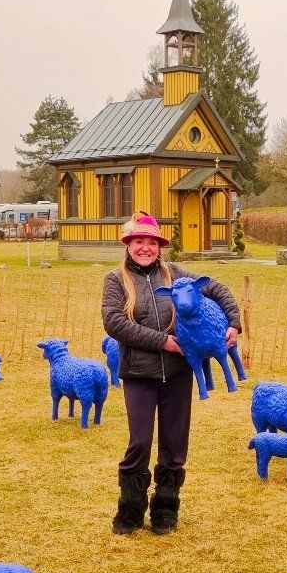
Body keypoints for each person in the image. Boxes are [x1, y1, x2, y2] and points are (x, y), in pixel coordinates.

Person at [102, 212, 242, 536]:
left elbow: (217, 288)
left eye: (152, 243)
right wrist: (162, 341)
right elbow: (114, 322)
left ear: (160, 247)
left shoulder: (175, 274)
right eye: (139, 242)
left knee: (174, 443)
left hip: (179, 373)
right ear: (128, 245)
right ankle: (130, 509)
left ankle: (165, 508)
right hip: (138, 373)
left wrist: (233, 323)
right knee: (139, 442)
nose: (145, 248)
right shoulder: (116, 280)